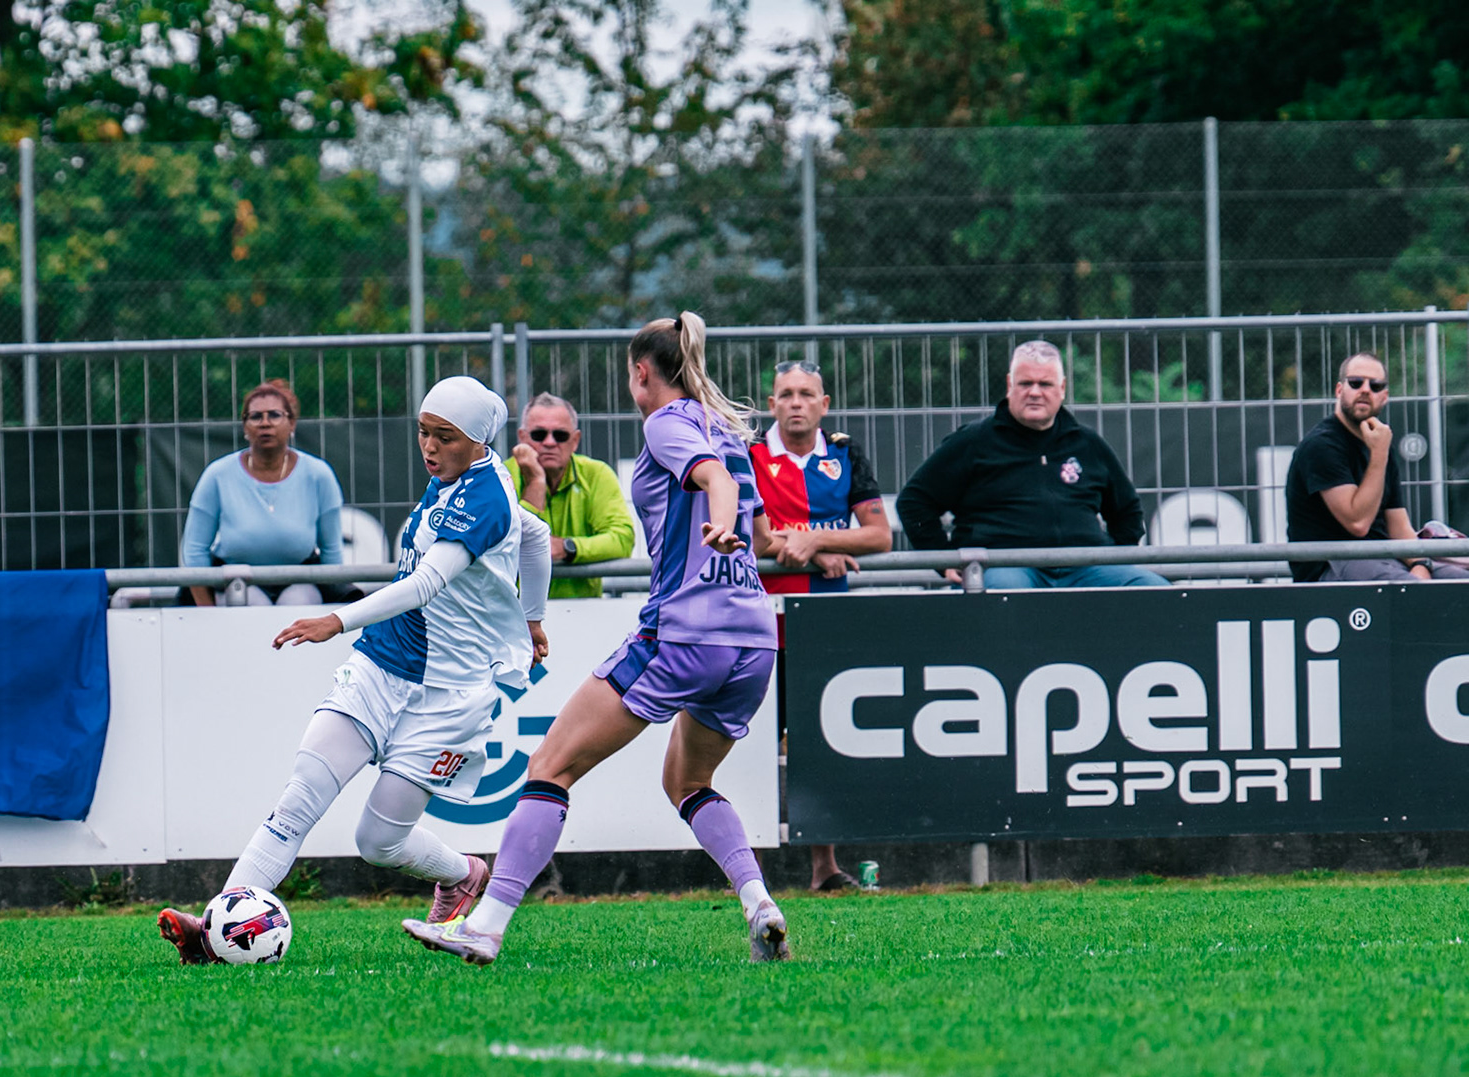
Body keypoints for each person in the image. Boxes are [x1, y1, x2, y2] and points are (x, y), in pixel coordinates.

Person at [402, 311, 789, 967]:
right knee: (687, 781)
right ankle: (759, 904)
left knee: (549, 768)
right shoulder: (724, 429)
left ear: (642, 373)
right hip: (753, 635)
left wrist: (719, 522)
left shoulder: (668, 423)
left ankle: (485, 926)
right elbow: (750, 523)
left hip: (686, 630)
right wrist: (743, 534)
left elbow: (717, 489)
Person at [158, 376, 553, 965]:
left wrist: (334, 621)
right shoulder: (465, 475)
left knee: (378, 842)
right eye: (423, 431)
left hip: (449, 695)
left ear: (477, 442)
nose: (428, 446)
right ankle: (217, 925)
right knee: (299, 800)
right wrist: (534, 619)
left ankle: (464, 874)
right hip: (381, 664)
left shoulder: (487, 496)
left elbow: (425, 583)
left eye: (444, 436)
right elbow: (537, 534)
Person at [749, 359, 891, 893]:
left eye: (807, 394)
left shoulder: (846, 452)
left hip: (824, 622)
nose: (796, 403)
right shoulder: (750, 454)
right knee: (752, 745)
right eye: (785, 393)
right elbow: (753, 537)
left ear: (824, 404)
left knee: (818, 743)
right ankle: (748, 873)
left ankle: (824, 870)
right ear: (772, 404)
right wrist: (808, 547)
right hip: (761, 622)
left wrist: (819, 543)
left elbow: (879, 536)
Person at [896, 340, 1167, 589]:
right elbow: (914, 501)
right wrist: (943, 560)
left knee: (1157, 592)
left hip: (1086, 567)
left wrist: (1114, 560)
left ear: (1061, 388)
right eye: (1025, 383)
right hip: (1003, 567)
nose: (1034, 392)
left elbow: (1128, 510)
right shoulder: (973, 441)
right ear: (1009, 385)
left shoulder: (1087, 443)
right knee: (1012, 599)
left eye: (1045, 384)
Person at [1285, 352, 1468, 582]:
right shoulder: (1322, 446)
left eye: (1375, 385)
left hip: (1383, 559)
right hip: (1331, 565)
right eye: (1356, 383)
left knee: (1458, 582)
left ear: (1384, 397)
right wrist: (1379, 454)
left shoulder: (1379, 442)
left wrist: (1420, 563)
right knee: (1409, 590)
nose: (1365, 389)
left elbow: (1398, 526)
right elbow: (1358, 524)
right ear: (1339, 390)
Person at [181, 380, 343, 607]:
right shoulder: (217, 475)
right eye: (256, 416)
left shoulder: (319, 475)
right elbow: (194, 550)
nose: (265, 423)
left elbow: (332, 553)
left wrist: (335, 607)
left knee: (297, 603)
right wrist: (208, 612)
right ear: (245, 426)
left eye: (275, 415)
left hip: (301, 582)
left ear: (292, 423)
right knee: (250, 601)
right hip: (235, 583)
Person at [504, 392, 636, 597]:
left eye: (560, 435)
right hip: (515, 615)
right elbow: (508, 544)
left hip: (582, 613)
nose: (549, 442)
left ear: (575, 441)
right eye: (539, 435)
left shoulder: (596, 474)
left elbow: (622, 538)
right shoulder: (501, 476)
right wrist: (536, 483)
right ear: (522, 438)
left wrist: (567, 547)